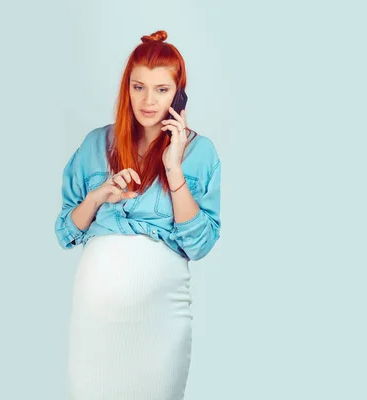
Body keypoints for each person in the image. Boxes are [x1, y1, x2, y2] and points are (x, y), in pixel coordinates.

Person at [54, 30, 221, 400]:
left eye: (161, 90)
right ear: (125, 88)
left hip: (161, 317)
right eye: (138, 87)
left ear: (179, 94)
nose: (147, 101)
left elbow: (199, 244)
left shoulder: (200, 152)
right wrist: (99, 196)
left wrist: (173, 169)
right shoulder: (95, 144)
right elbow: (65, 232)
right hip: (94, 321)